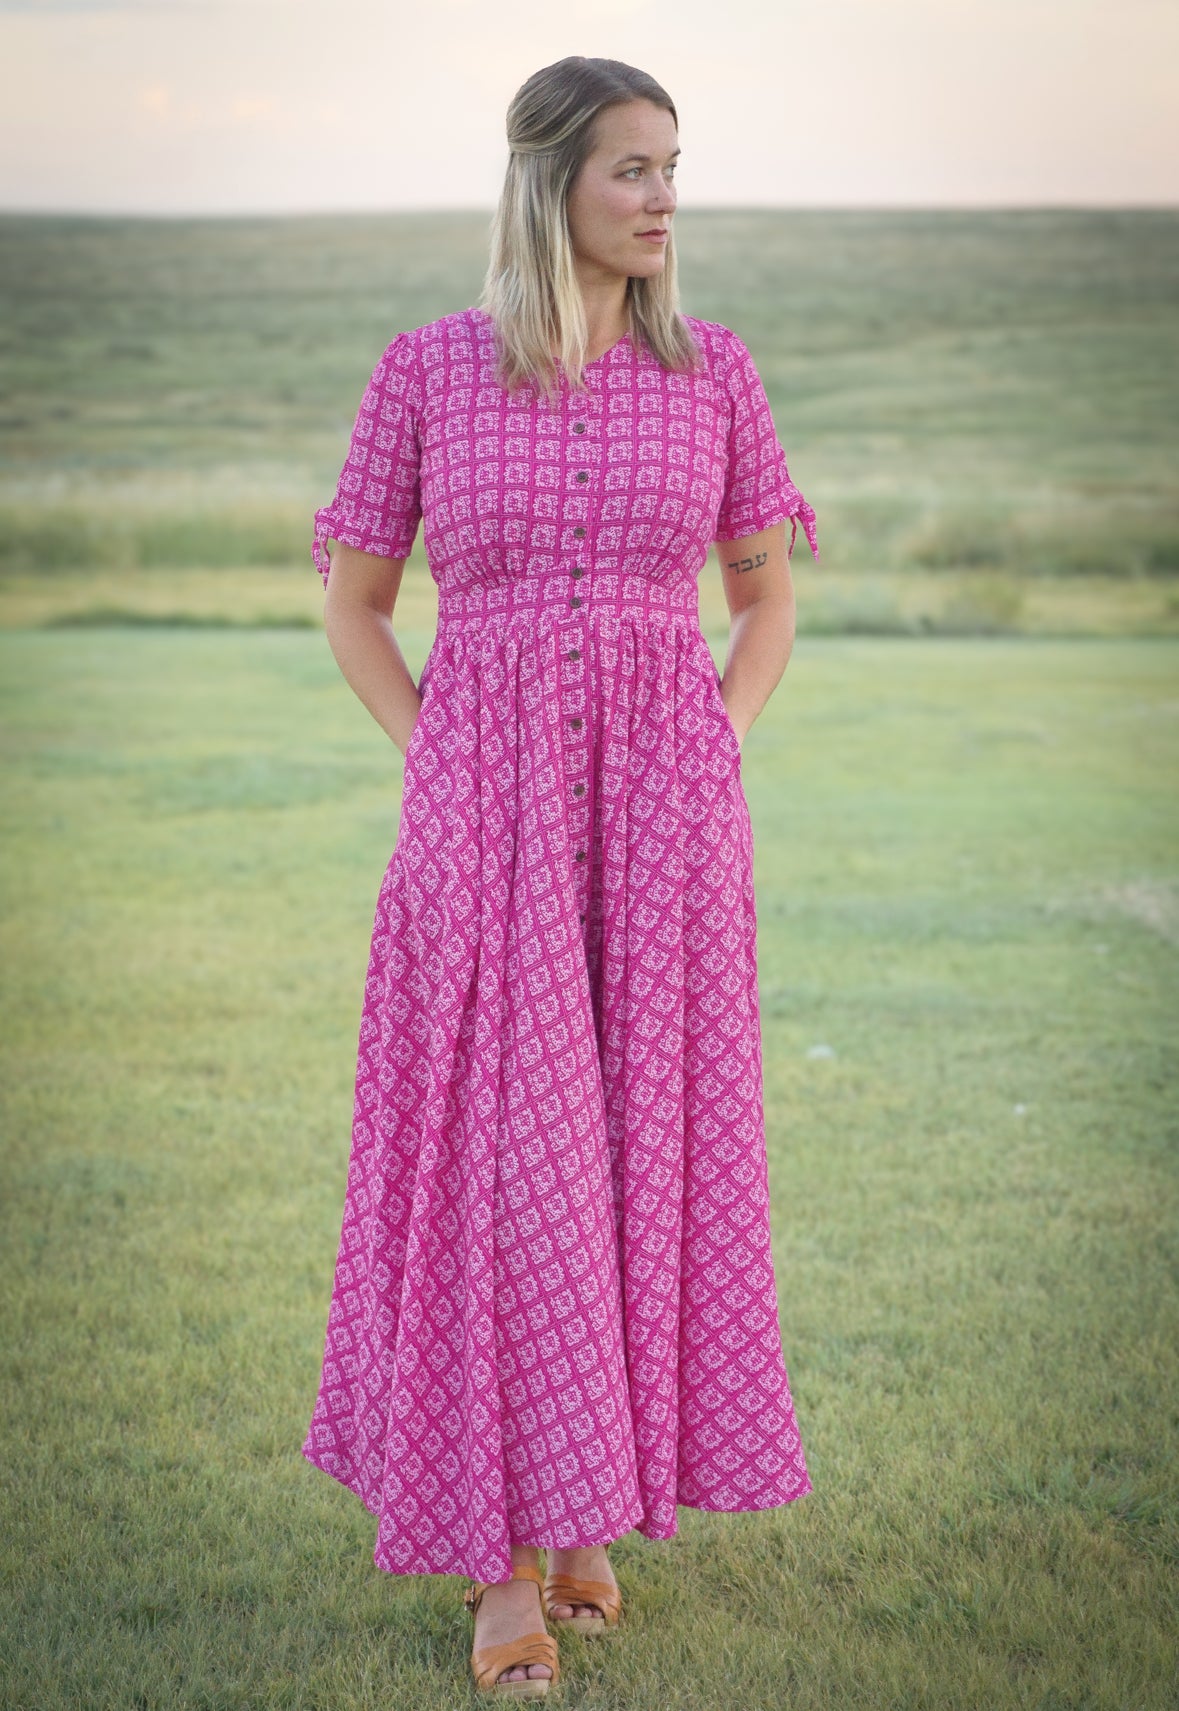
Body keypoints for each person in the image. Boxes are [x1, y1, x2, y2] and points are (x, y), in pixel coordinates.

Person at [303, 55, 818, 1700]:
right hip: (483, 821)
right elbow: (357, 603)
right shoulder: (431, 374)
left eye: (676, 168)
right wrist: (435, 760)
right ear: (549, 185)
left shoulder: (716, 375)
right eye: (634, 171)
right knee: (503, 1167)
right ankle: (501, 1560)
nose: (666, 198)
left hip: (665, 828)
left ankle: (590, 1510)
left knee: (633, 1158)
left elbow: (763, 602)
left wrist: (711, 748)